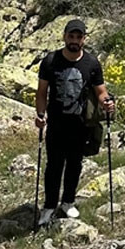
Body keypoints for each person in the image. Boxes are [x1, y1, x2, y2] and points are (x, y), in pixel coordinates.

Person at [35, 18, 114, 228]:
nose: (75, 40)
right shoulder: (50, 61)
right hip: (56, 124)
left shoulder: (92, 63)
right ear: (64, 36)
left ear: (84, 39)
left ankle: (68, 201)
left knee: (74, 165)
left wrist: (106, 102)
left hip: (81, 125)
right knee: (53, 166)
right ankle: (49, 206)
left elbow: (100, 90)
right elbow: (42, 92)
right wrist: (40, 114)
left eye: (79, 37)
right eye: (71, 36)